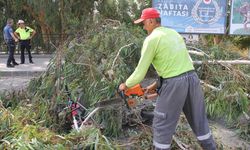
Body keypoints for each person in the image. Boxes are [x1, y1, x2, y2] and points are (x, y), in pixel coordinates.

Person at [119, 8, 216, 150]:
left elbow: (140, 73)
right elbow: (178, 65)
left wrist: (125, 85)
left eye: (144, 23)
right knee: (199, 121)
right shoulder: (174, 33)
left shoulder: (151, 39)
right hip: (192, 79)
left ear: (151, 21)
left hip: (175, 83)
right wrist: (155, 85)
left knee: (161, 124)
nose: (144, 27)